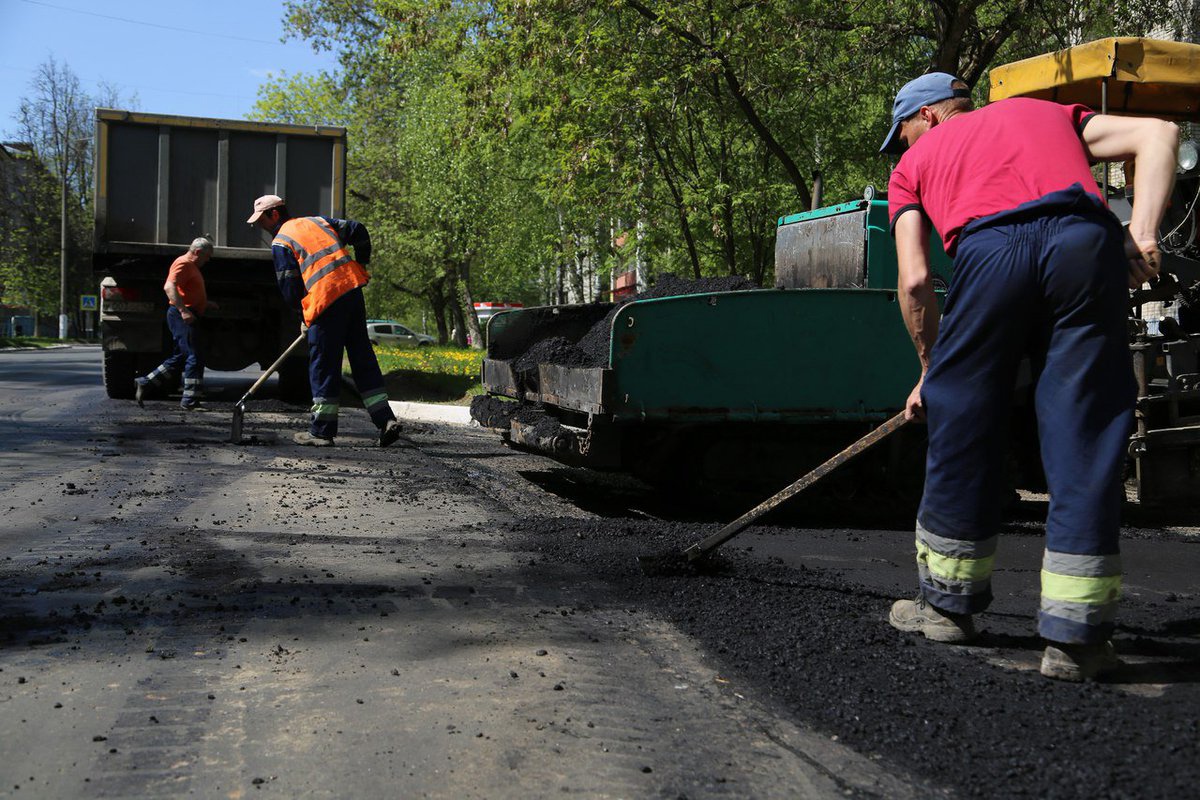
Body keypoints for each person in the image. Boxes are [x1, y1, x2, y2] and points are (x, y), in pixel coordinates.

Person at [880, 72, 1178, 681]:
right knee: (1084, 428)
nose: (903, 148)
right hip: (1082, 245)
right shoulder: (1047, 115)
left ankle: (947, 608)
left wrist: (930, 374)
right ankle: (1077, 640)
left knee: (963, 421)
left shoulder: (914, 166)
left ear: (931, 117)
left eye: (904, 133)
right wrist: (1141, 233)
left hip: (988, 255)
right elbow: (1159, 133)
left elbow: (914, 281)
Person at [247, 194, 403, 448]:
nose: (260, 225)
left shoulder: (282, 242)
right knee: (362, 358)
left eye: (261, 219)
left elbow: (290, 286)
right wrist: (361, 264)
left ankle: (321, 431)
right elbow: (359, 230)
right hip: (352, 292)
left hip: (325, 302)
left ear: (274, 214)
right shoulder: (318, 222)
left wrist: (303, 316)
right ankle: (385, 419)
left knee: (323, 365)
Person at [135, 237, 219, 410]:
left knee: (181, 356)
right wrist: (183, 311)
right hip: (181, 315)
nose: (208, 260)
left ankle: (145, 382)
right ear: (197, 252)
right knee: (194, 357)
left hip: (188, 313)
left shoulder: (191, 266)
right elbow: (169, 287)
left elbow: (186, 291)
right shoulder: (183, 264)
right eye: (206, 256)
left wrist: (204, 303)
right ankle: (189, 400)